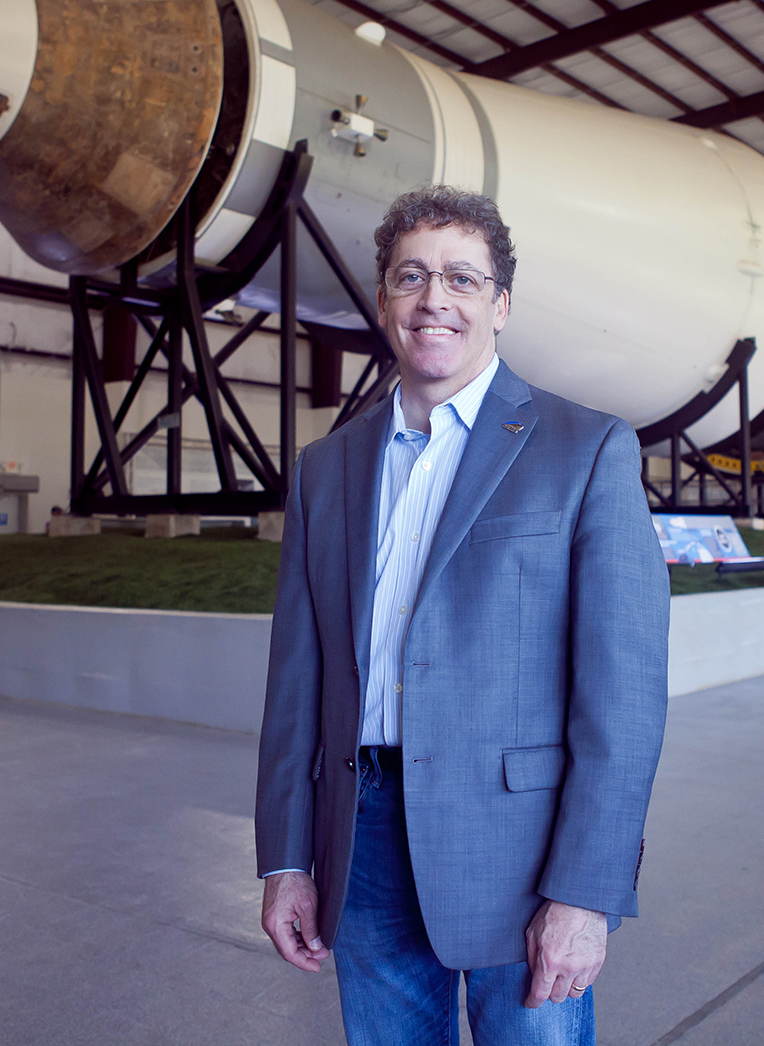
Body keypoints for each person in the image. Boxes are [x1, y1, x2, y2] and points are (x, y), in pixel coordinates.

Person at [254, 186, 669, 1045]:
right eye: (411, 277)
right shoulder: (325, 470)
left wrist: (585, 892)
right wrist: (288, 858)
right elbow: (298, 681)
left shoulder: (583, 449)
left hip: (519, 850)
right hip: (361, 842)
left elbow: (621, 695)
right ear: (383, 301)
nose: (433, 298)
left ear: (501, 304)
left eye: (462, 278)